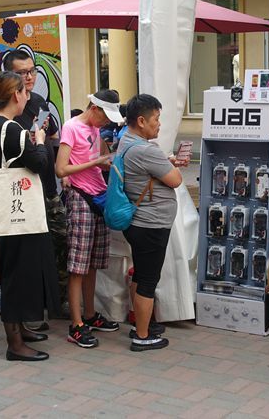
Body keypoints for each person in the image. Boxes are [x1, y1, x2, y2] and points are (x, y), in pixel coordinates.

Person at [0, 71, 59, 361]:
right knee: (17, 276)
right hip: (18, 216)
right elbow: (38, 162)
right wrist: (38, 139)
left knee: (18, 272)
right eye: (25, 92)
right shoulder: (9, 129)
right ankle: (15, 344)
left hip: (14, 211)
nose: (28, 96)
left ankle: (22, 330)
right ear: (16, 95)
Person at [117, 94, 186, 351]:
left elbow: (149, 172)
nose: (159, 124)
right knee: (148, 280)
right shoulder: (146, 149)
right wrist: (170, 167)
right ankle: (143, 336)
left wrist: (165, 164)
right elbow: (176, 180)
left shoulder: (127, 141)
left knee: (141, 274)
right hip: (150, 223)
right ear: (142, 120)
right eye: (156, 119)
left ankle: (140, 324)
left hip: (138, 222)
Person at [55, 89, 123, 347]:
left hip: (99, 196)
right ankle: (76, 324)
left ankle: (90, 315)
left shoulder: (96, 130)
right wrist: (97, 161)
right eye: (105, 116)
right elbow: (61, 168)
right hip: (81, 197)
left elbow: (98, 160)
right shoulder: (71, 127)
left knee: (93, 262)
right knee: (78, 266)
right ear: (94, 108)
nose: (106, 123)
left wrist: (107, 162)